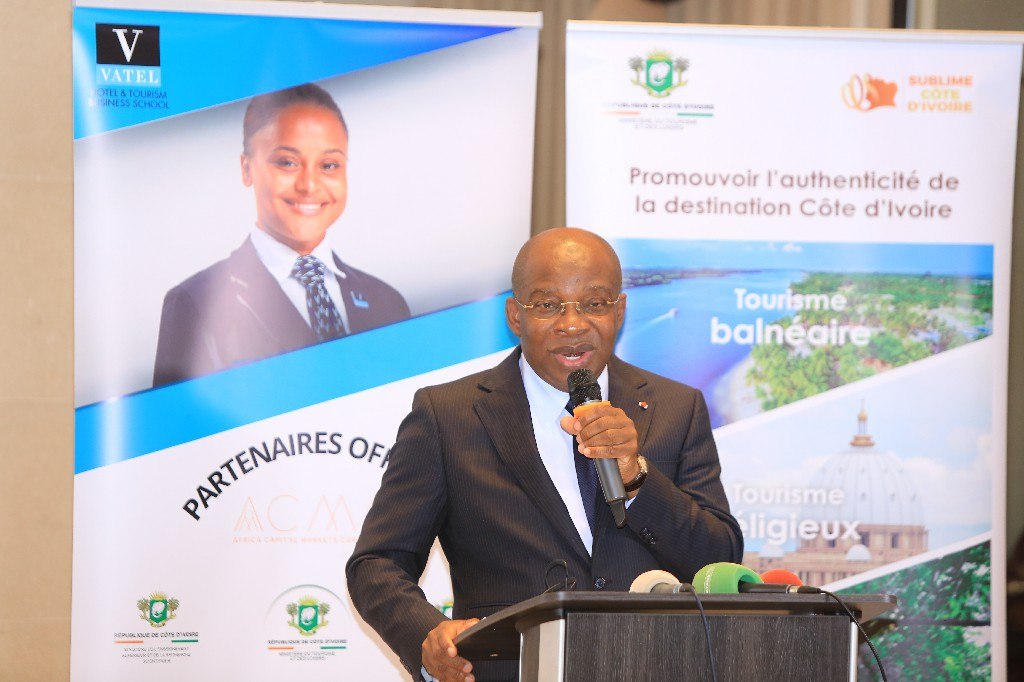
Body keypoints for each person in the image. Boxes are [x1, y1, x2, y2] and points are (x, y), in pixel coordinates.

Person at [346, 227, 742, 682]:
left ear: (619, 311)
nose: (572, 324)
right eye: (548, 305)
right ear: (515, 316)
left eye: (593, 303)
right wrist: (428, 636)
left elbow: (719, 560)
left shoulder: (676, 408)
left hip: (649, 667)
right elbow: (377, 562)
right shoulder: (448, 416)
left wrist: (637, 479)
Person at [153, 83, 410, 387]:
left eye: (329, 165)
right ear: (247, 169)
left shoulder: (388, 302)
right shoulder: (195, 305)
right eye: (287, 162)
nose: (309, 185)